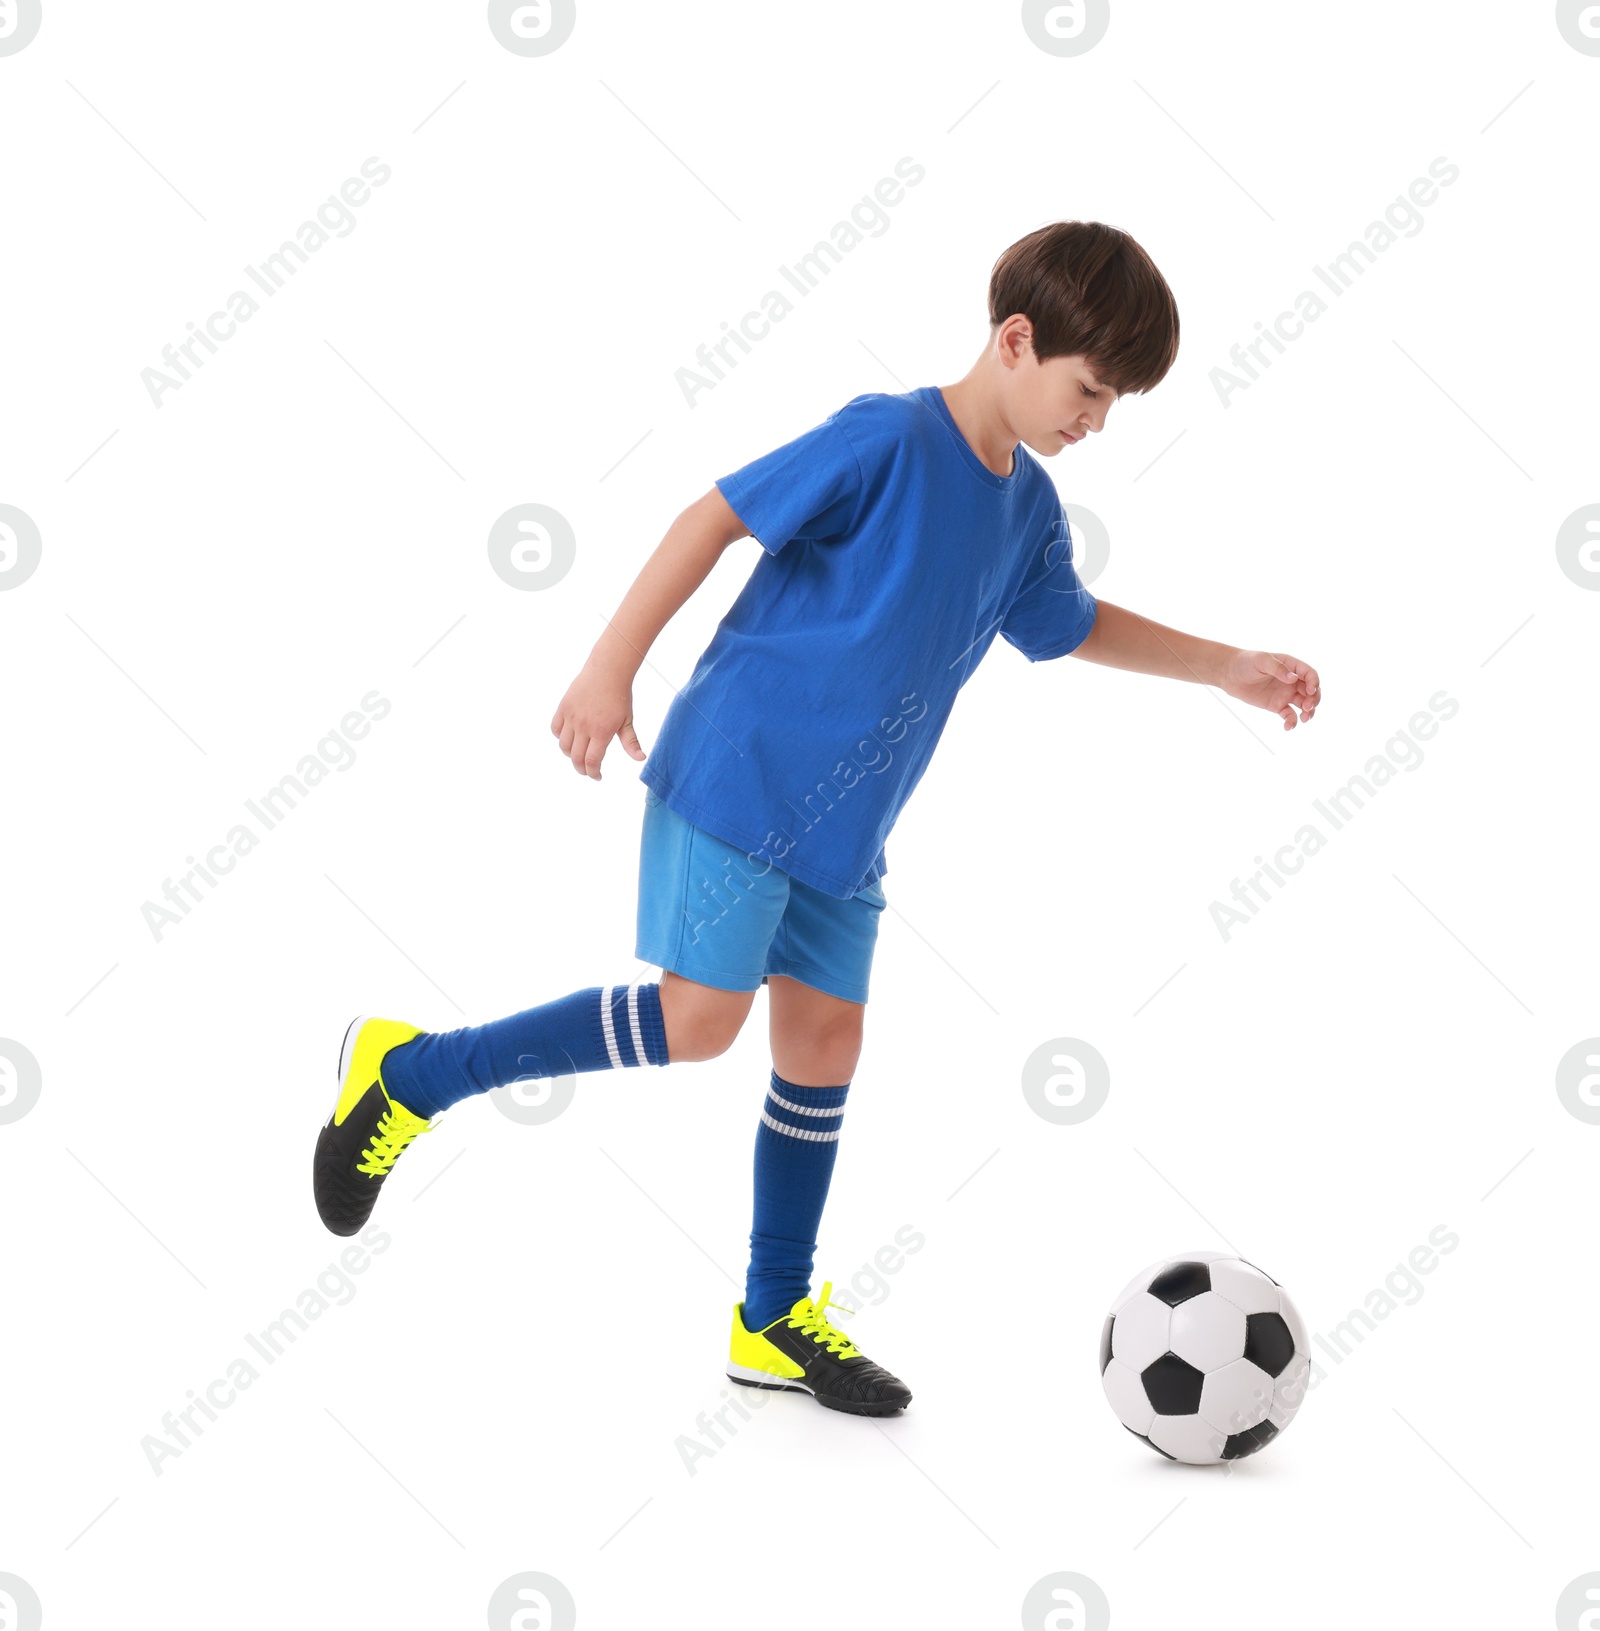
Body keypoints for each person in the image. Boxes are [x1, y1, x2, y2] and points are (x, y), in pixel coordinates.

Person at [312, 220, 1321, 1418]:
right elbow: (716, 514)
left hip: (848, 836)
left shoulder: (1029, 511)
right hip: (742, 776)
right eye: (1088, 388)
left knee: (823, 1047)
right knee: (698, 1022)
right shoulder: (889, 437)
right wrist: (606, 665)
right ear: (1015, 340)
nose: (1094, 419)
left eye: (1113, 404)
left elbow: (1070, 626)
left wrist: (1225, 667)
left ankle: (772, 1313)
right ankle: (414, 1071)